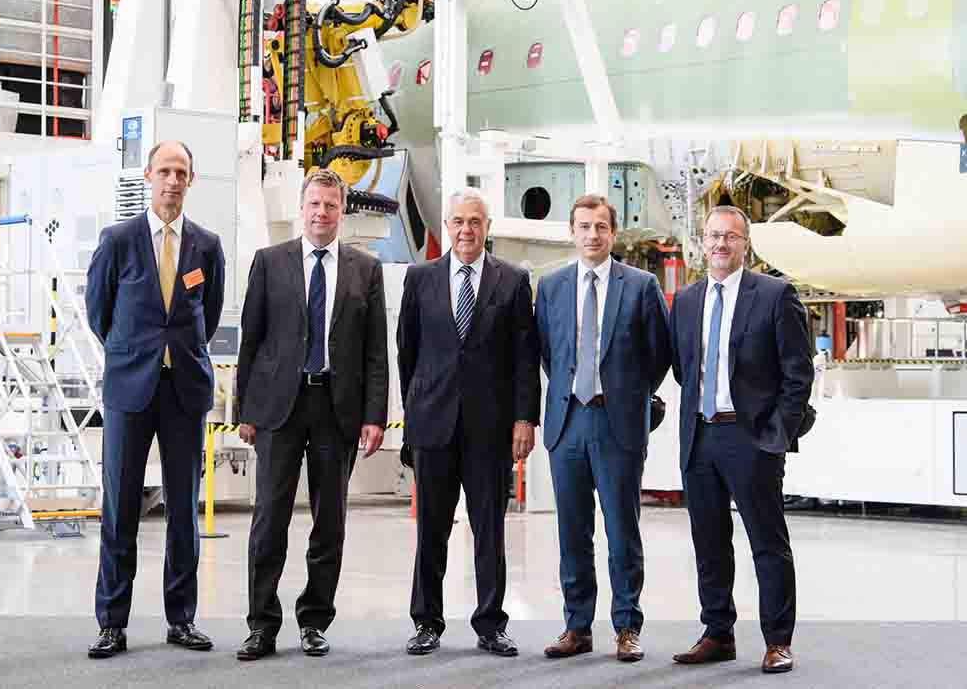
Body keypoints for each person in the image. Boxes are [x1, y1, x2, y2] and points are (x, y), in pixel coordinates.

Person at [234, 168, 389, 660]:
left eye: (331, 204)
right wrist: (245, 410)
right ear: (301, 209)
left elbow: (375, 352)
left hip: (336, 409)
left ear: (342, 210)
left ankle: (314, 621)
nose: (322, 212)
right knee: (269, 519)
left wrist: (375, 416)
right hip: (278, 408)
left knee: (330, 522)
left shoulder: (366, 270)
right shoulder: (269, 262)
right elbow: (251, 340)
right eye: (314, 204)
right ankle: (262, 625)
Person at [86, 140, 226, 658]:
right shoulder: (118, 240)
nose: (173, 180)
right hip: (130, 389)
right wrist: (134, 353)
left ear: (192, 180)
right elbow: (98, 312)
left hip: (184, 390)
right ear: (148, 175)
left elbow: (208, 314)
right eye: (165, 170)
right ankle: (112, 623)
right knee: (120, 507)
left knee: (183, 510)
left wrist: (176, 352)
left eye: (181, 172)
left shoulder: (206, 246)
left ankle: (181, 619)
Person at [668, 205, 814, 674]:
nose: (720, 244)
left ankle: (778, 641)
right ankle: (717, 633)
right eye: (713, 235)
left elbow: (798, 372)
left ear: (745, 244)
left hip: (752, 437)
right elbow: (684, 369)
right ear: (702, 242)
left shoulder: (774, 295)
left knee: (767, 542)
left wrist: (777, 433)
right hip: (700, 435)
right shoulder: (686, 300)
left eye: (730, 236)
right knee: (709, 541)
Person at [396, 188, 540, 658]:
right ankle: (426, 622)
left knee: (489, 531)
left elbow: (525, 358)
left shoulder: (513, 281)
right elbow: (407, 352)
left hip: (489, 429)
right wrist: (414, 412)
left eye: (475, 222)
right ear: (447, 226)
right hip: (433, 425)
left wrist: (524, 418)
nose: (466, 230)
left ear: (487, 228)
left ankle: (491, 624)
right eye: (458, 221)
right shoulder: (420, 278)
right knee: (430, 531)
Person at [535, 194, 671, 663]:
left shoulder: (641, 286)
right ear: (572, 232)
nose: (592, 235)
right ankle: (577, 626)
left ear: (613, 233)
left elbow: (659, 353)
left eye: (600, 227)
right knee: (573, 532)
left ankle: (627, 626)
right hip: (567, 422)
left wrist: (627, 394)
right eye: (584, 226)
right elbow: (549, 351)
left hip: (618, 424)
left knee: (621, 531)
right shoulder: (551, 287)